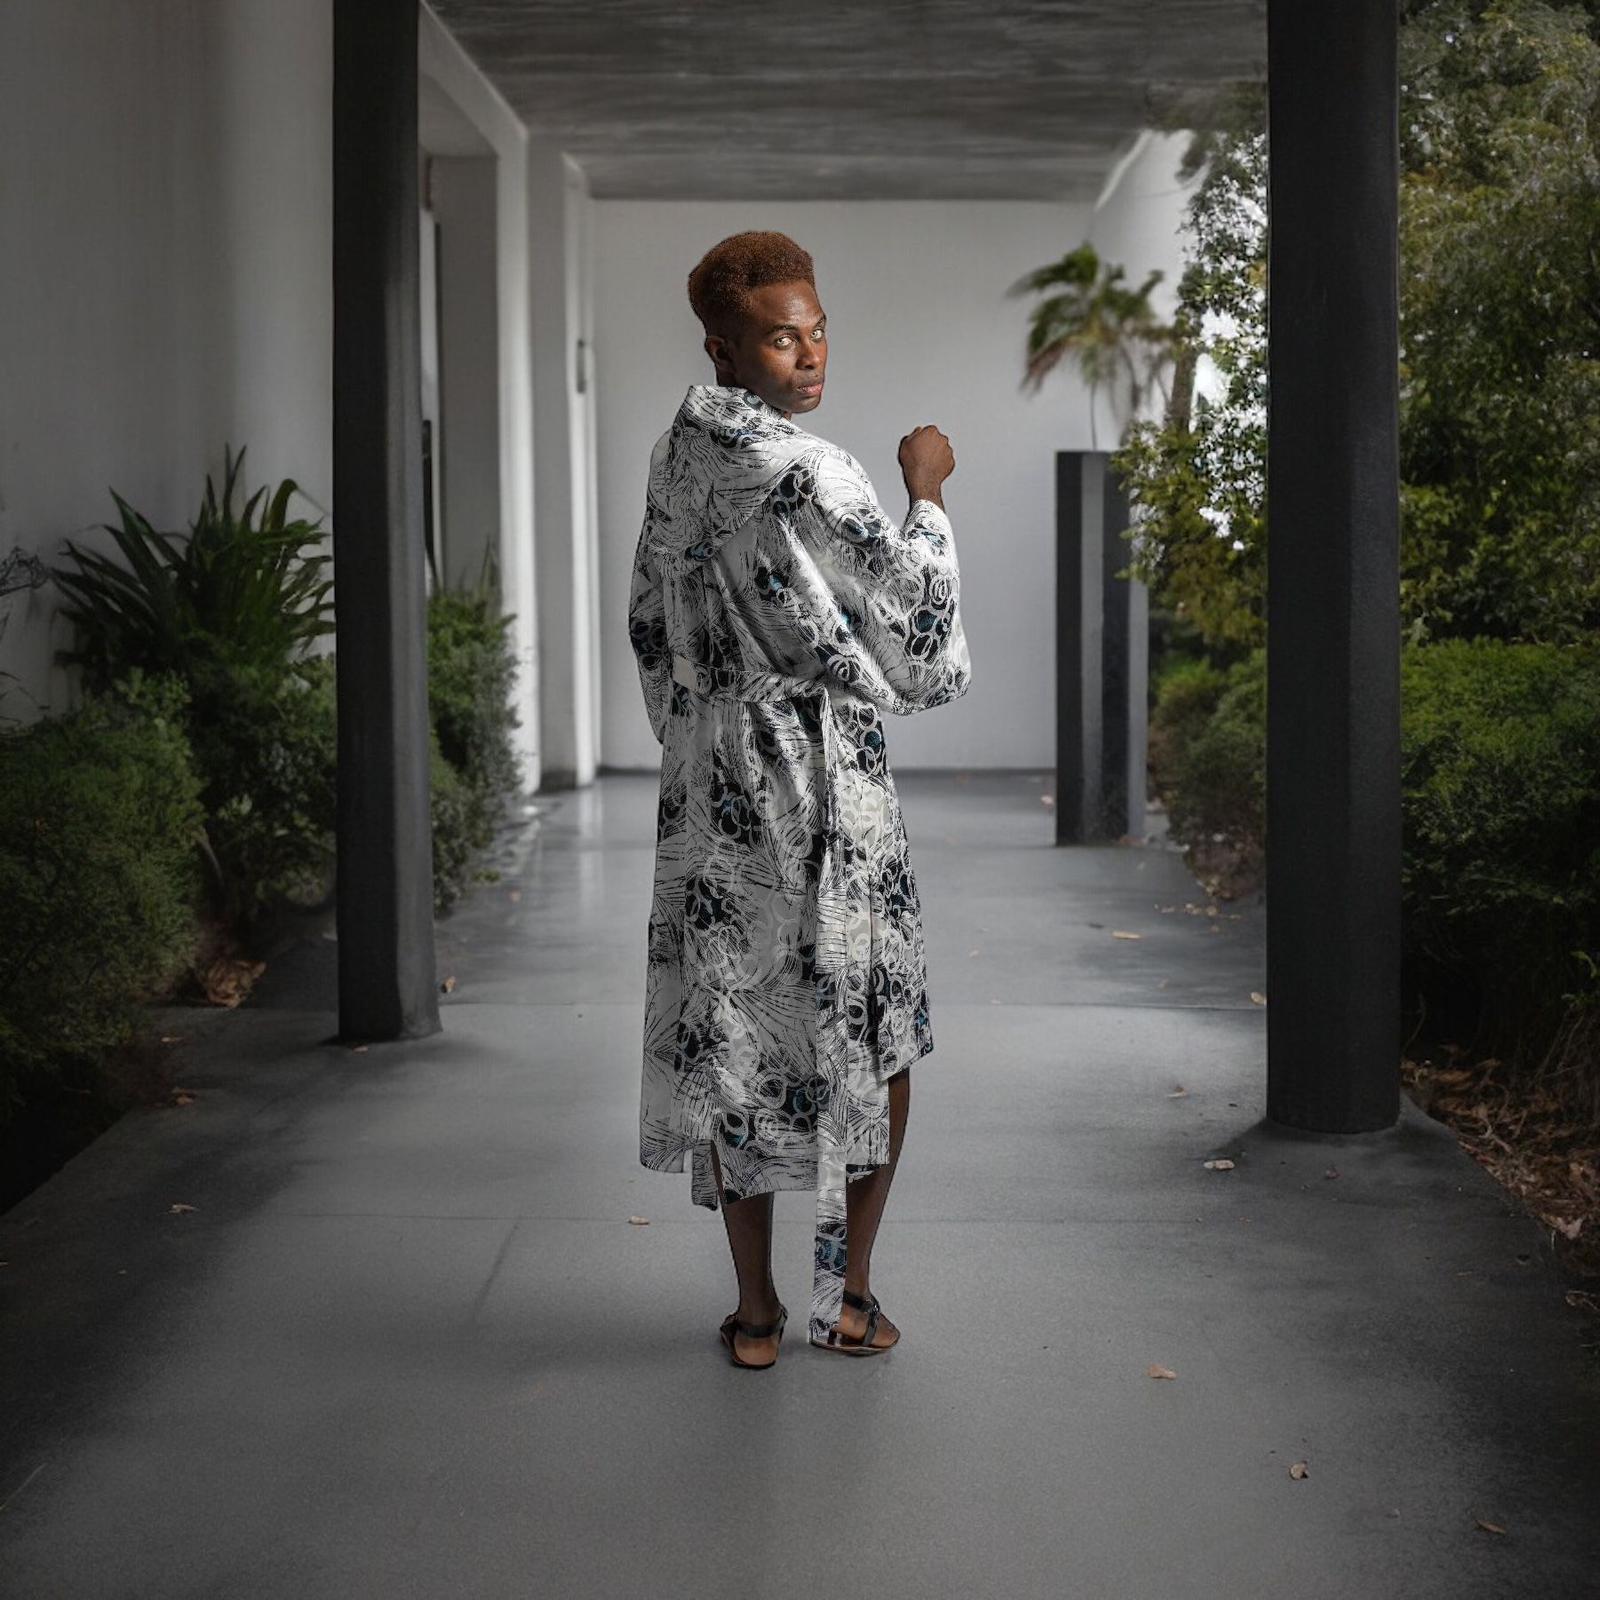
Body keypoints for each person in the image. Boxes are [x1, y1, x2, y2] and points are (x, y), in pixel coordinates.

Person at [627, 229, 972, 1368]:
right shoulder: (818, 473)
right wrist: (927, 491)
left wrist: (701, 737)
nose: (811, 354)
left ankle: (756, 1312)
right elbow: (916, 646)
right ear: (724, 350)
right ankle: (847, 1298)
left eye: (818, 331)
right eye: (782, 339)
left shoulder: (677, 457)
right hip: (825, 786)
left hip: (712, 786)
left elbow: (648, 625)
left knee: (730, 1031)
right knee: (873, 1030)